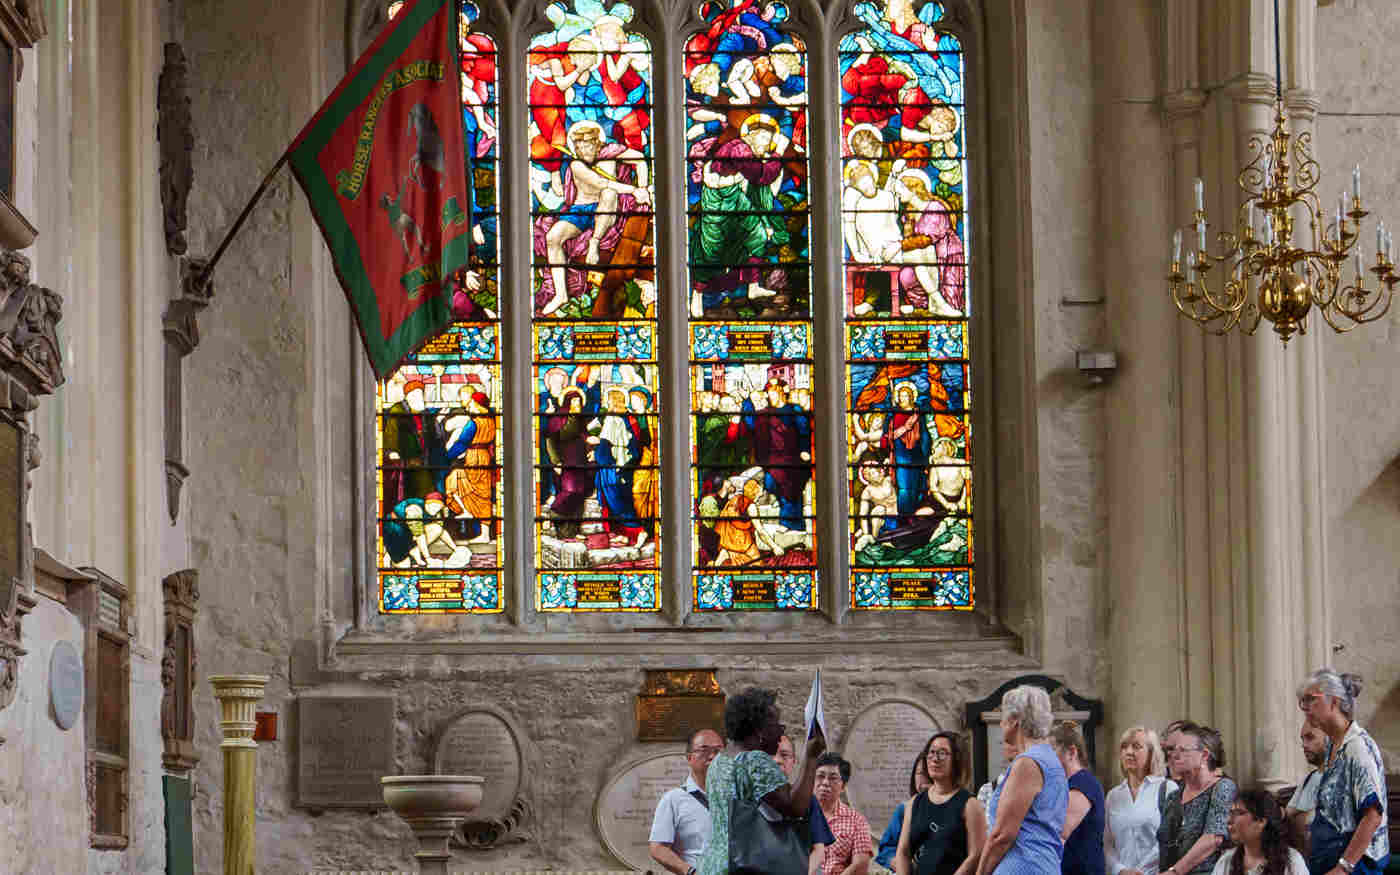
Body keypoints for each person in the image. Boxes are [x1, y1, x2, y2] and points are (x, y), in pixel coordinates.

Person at [698, 687, 826, 875]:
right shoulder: (754, 760)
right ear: (760, 729)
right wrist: (811, 756)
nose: (781, 734)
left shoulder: (719, 761)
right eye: (777, 726)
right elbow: (794, 806)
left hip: (715, 864)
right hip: (747, 866)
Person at [1296, 669, 1389, 874]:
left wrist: (1343, 867)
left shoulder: (1357, 748)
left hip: (1354, 868)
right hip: (1326, 861)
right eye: (1303, 702)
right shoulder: (1332, 745)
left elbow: (1372, 816)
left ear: (1334, 701)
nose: (1305, 708)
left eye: (1311, 700)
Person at [976, 684, 1067, 875]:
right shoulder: (1050, 758)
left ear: (1015, 721)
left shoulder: (1027, 763)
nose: (1001, 725)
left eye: (1003, 718)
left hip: (1024, 867)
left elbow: (1002, 836)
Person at [894, 731, 986, 875]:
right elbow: (903, 852)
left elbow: (976, 856)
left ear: (957, 759)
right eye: (931, 752)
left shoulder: (970, 805)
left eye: (942, 753)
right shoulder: (915, 803)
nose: (934, 759)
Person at [1158, 722, 1237, 875]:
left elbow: (1213, 838)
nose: (1174, 755)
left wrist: (1174, 872)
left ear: (1204, 755)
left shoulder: (1223, 787)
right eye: (1173, 750)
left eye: (1183, 750)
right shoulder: (1172, 797)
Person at [650, 728, 723, 874]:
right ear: (689, 757)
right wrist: (690, 872)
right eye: (704, 750)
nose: (712, 756)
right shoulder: (673, 800)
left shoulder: (734, 797)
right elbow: (658, 848)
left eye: (718, 751)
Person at [1105, 726, 1178, 875]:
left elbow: (1172, 838)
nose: (1129, 752)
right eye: (1124, 747)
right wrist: (1120, 870)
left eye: (1136, 747)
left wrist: (1140, 871)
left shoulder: (1167, 788)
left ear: (1152, 753)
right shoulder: (1113, 796)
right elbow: (1107, 844)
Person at [777, 734, 837, 875]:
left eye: (784, 755)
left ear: (794, 761)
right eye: (771, 755)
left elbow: (819, 850)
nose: (777, 761)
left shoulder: (809, 800)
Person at [1051, 721, 1106, 875]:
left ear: (1071, 752)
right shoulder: (1065, 784)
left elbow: (1058, 831)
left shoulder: (1083, 783)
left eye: (1051, 751)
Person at [1212, 788, 1309, 875]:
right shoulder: (1226, 861)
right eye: (1230, 813)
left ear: (1261, 821)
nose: (1229, 820)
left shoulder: (1292, 862)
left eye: (1239, 813)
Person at [814, 752, 874, 875]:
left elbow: (861, 864)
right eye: (820, 776)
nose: (825, 782)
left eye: (833, 778)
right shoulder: (799, 816)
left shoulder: (856, 821)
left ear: (843, 786)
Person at [876, 751, 931, 870]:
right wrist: (898, 863)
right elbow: (885, 850)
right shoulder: (904, 810)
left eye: (929, 773)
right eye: (920, 773)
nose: (925, 779)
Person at [1284, 722, 1330, 857]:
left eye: (1310, 738)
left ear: (1330, 738)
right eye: (1302, 739)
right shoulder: (1308, 779)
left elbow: (1313, 822)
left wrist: (1299, 817)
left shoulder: (1338, 777)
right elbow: (1286, 817)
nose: (1304, 745)